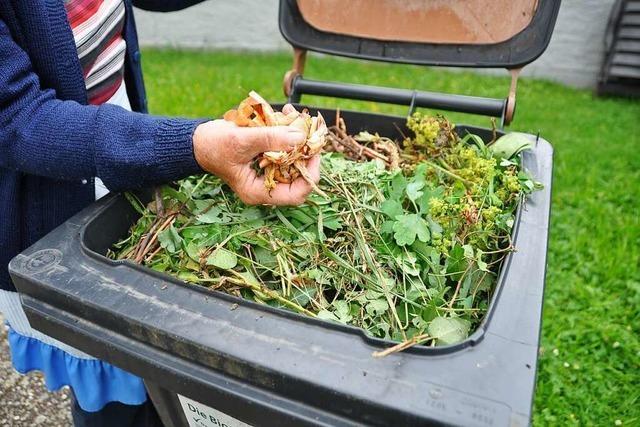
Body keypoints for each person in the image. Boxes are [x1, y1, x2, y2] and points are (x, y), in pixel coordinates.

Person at [0, 1, 320, 426]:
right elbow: (17, 119)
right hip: (55, 201)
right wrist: (193, 146)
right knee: (118, 395)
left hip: (128, 151)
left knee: (160, 380)